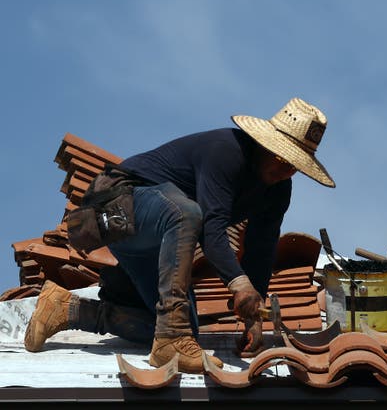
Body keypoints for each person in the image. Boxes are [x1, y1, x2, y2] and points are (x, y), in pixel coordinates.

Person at [23, 97, 335, 373]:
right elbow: (212, 231)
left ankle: (66, 309)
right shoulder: (227, 152)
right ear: (266, 144)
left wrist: (255, 315)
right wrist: (239, 287)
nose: (287, 171)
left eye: (294, 165)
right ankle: (172, 337)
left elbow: (261, 247)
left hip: (155, 240)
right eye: (283, 159)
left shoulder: (278, 190)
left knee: (183, 329)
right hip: (118, 207)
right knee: (186, 213)